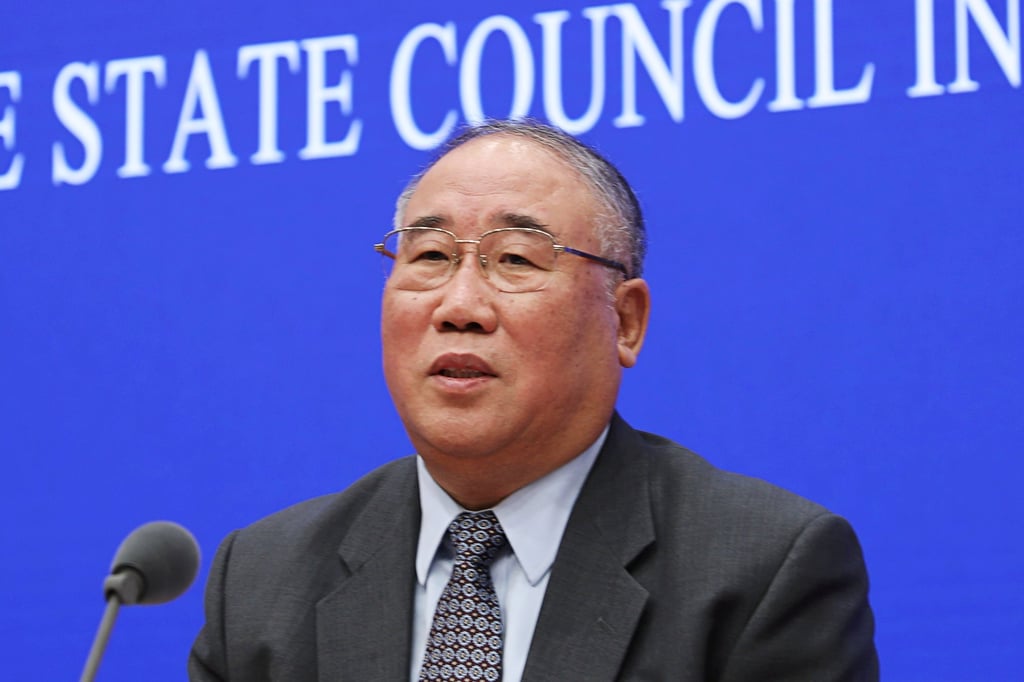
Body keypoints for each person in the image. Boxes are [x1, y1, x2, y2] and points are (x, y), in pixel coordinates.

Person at [188, 120, 878, 681]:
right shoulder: (259, 583)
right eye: (429, 256)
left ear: (627, 322)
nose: (459, 306)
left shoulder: (760, 572)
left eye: (515, 259)